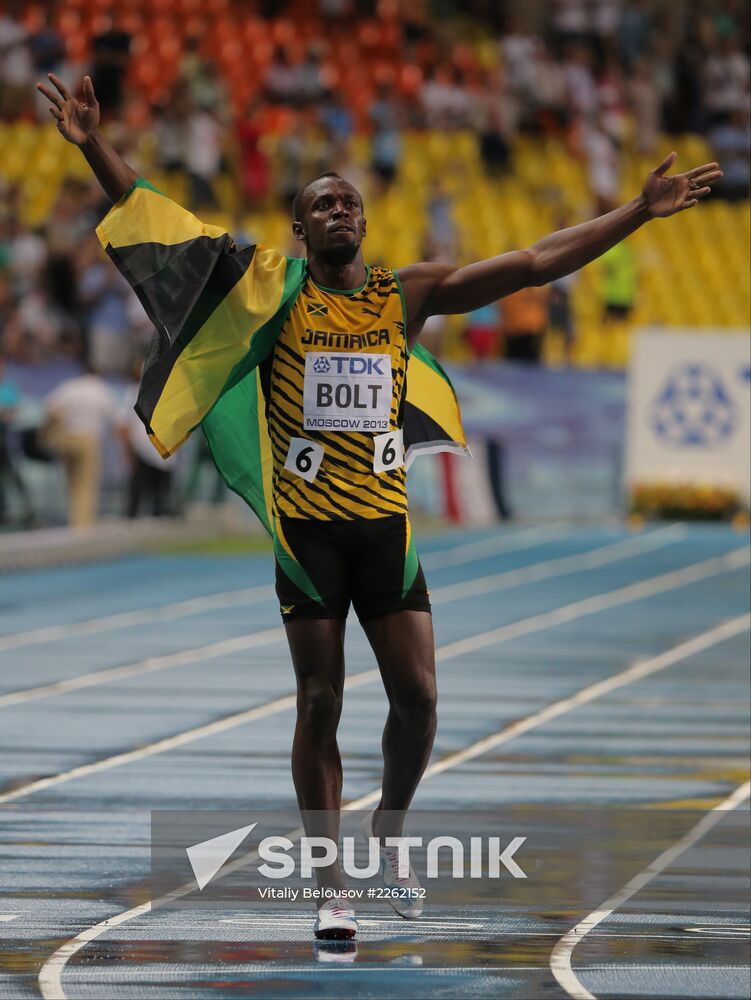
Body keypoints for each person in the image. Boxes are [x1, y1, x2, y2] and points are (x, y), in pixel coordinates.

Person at [37, 71, 722, 941]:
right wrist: (95, 142)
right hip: (309, 537)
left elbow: (536, 262)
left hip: (384, 533)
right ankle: (330, 885)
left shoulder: (407, 296)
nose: (338, 211)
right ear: (299, 226)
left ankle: (387, 835)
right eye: (321, 204)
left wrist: (636, 209)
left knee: (421, 700)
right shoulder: (271, 295)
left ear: (364, 222)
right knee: (318, 701)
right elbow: (165, 231)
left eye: (349, 202)